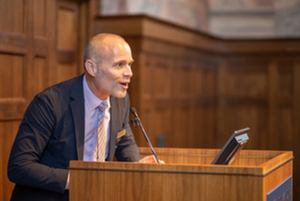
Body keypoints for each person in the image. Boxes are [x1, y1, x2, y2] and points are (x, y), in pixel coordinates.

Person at [7, 33, 156, 201]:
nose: (129, 73)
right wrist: (81, 179)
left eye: (129, 64)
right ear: (92, 68)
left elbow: (123, 140)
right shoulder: (50, 102)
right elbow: (19, 167)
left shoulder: (120, 100)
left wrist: (137, 167)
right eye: (119, 65)